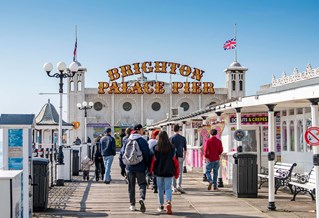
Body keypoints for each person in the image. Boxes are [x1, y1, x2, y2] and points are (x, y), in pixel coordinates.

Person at [119, 124, 151, 213]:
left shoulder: (126, 141)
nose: (143, 131)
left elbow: (121, 155)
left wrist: (122, 168)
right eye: (142, 130)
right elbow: (147, 154)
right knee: (142, 184)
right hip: (140, 167)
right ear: (139, 130)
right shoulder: (142, 141)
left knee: (131, 186)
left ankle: (132, 205)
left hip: (129, 167)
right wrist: (148, 167)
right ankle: (142, 198)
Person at [150, 131, 179, 214]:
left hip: (158, 172)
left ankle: (161, 205)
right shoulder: (172, 148)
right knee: (168, 188)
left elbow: (153, 161)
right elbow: (175, 161)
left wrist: (150, 171)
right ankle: (169, 202)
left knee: (160, 189)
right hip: (169, 171)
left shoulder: (155, 148)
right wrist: (176, 172)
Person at [170, 124, 187, 194]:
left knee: (173, 172)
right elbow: (185, 149)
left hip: (172, 158)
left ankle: (174, 187)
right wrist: (184, 157)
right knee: (180, 172)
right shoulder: (183, 138)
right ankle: (179, 185)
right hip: (180, 156)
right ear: (179, 130)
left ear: (173, 130)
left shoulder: (171, 138)